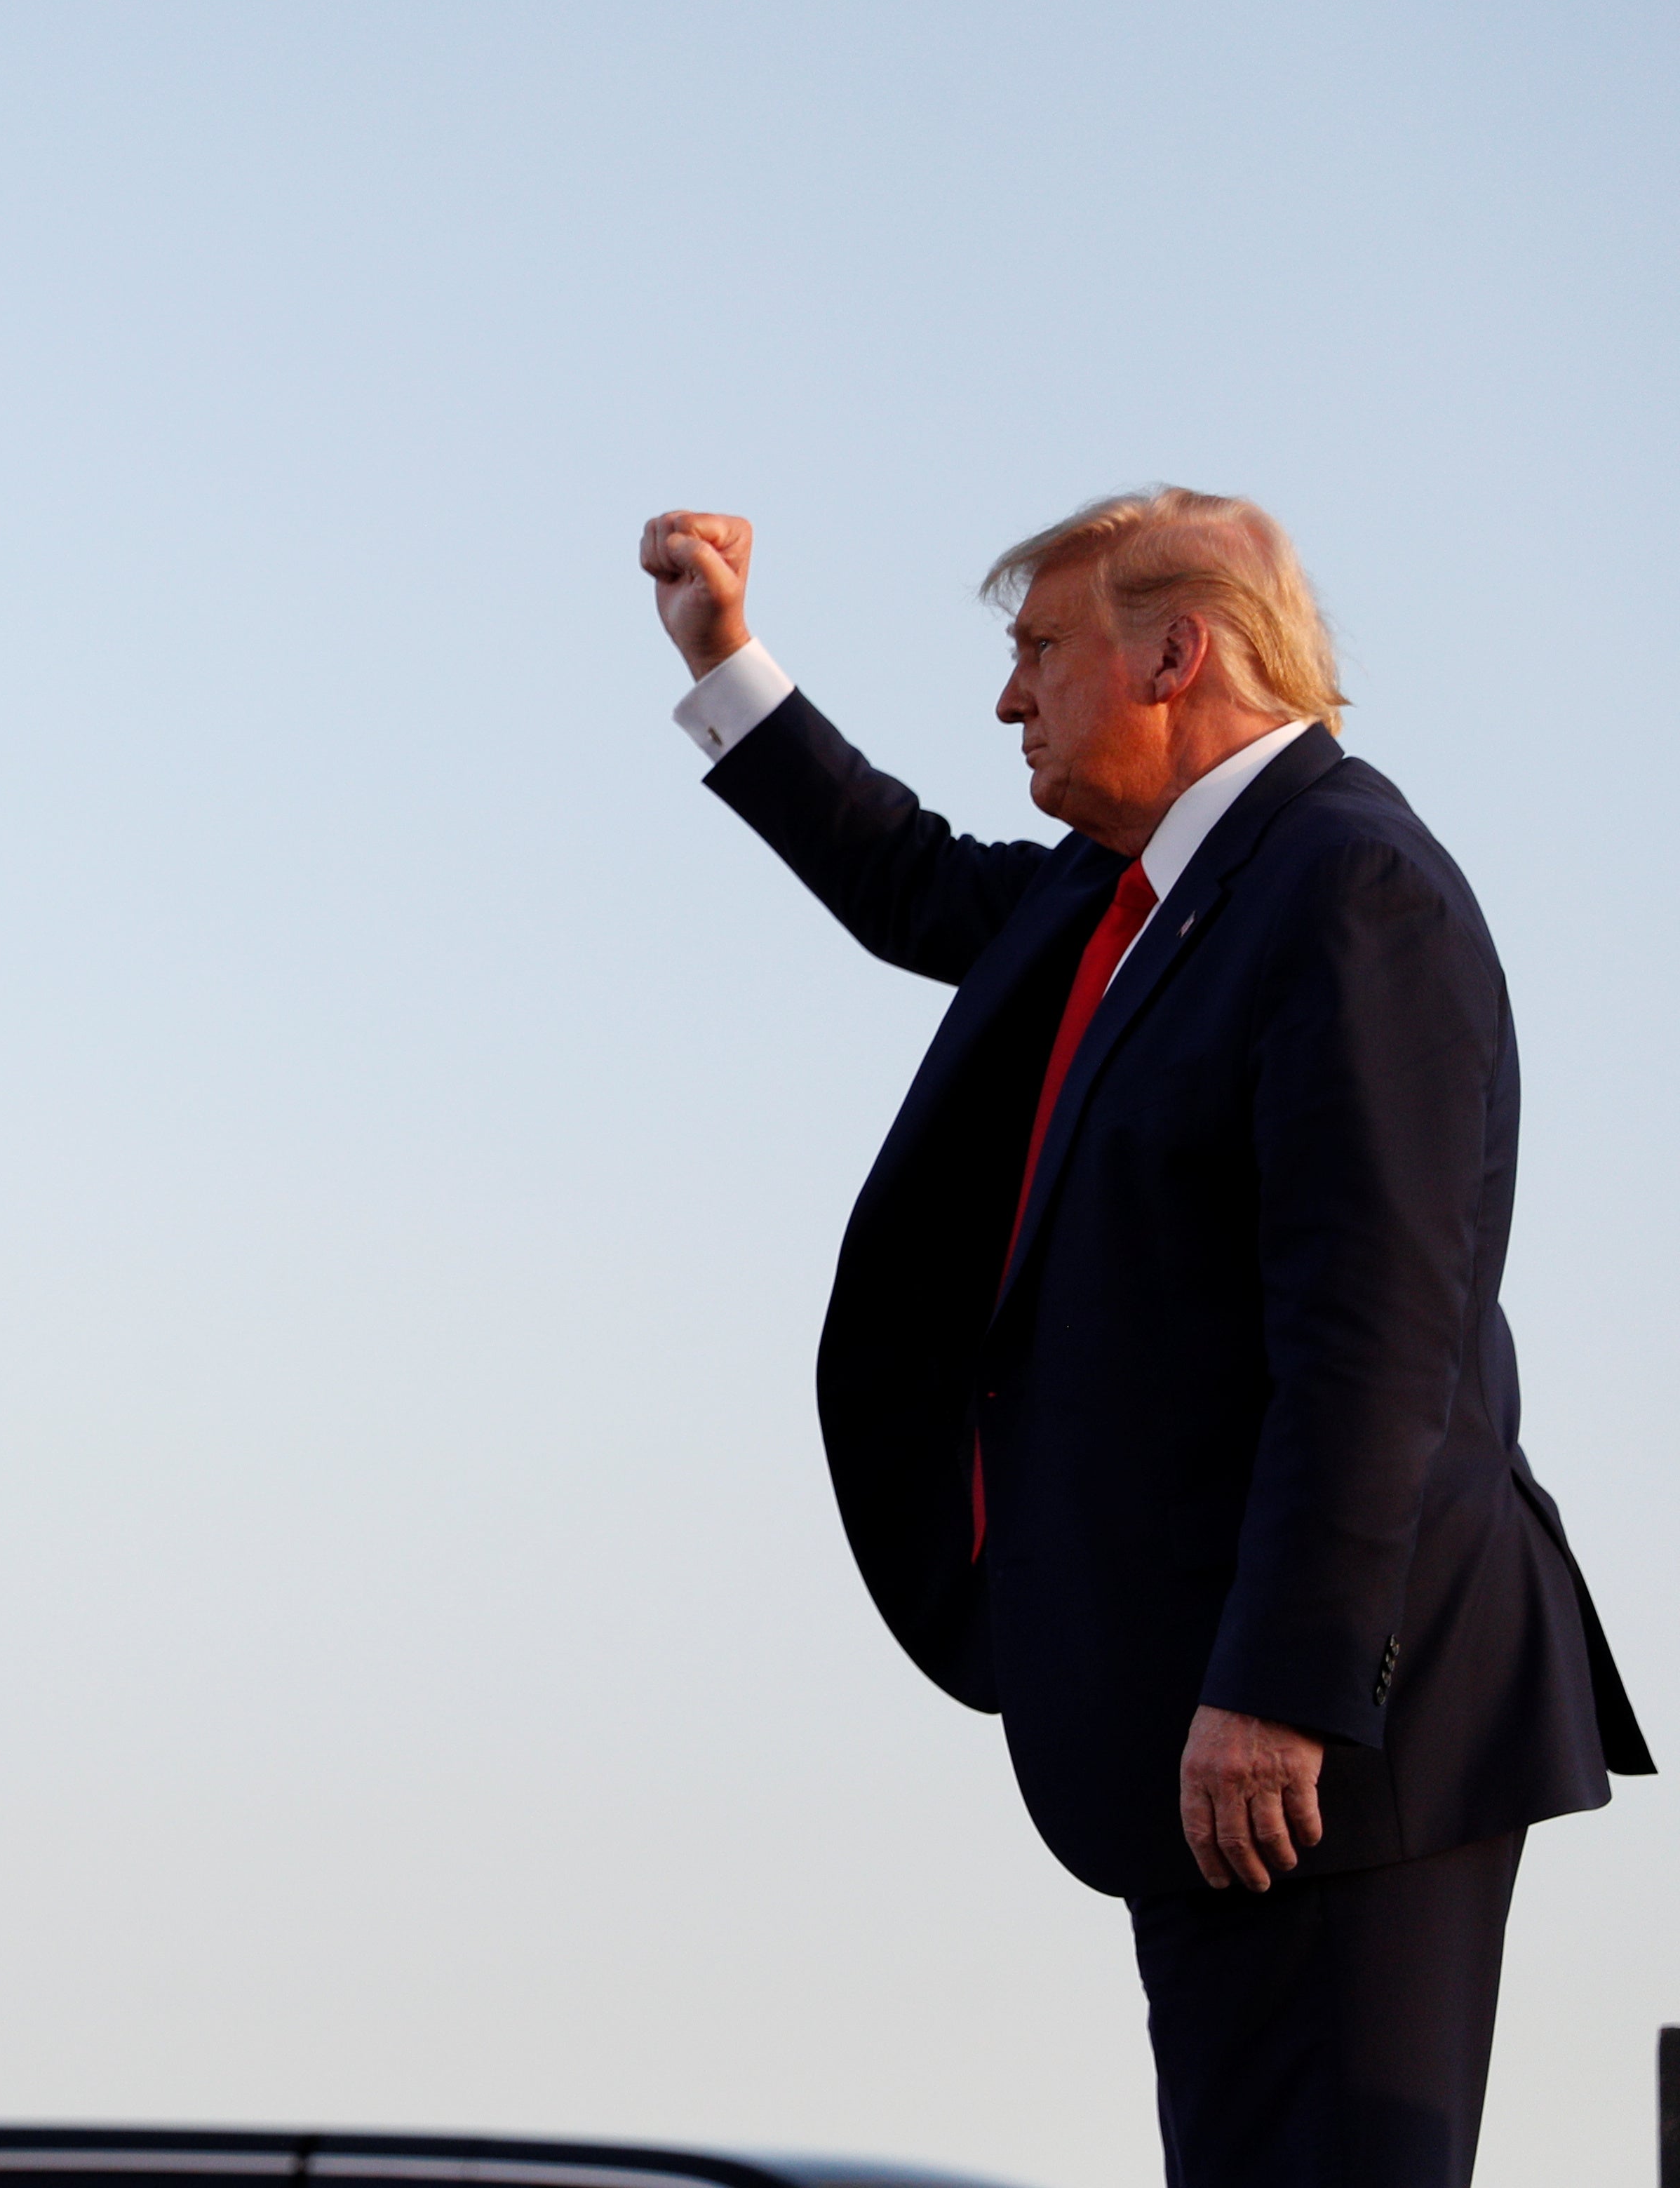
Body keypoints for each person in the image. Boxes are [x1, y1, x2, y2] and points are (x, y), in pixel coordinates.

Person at [635, 497, 1646, 2187]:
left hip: (1332, 1748)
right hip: (1214, 1745)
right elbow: (906, 879)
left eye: (1035, 651)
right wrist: (719, 661)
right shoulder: (1135, 902)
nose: (1007, 701)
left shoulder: (1345, 887)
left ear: (1173, 652)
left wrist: (1273, 1688)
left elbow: (1371, 1333)